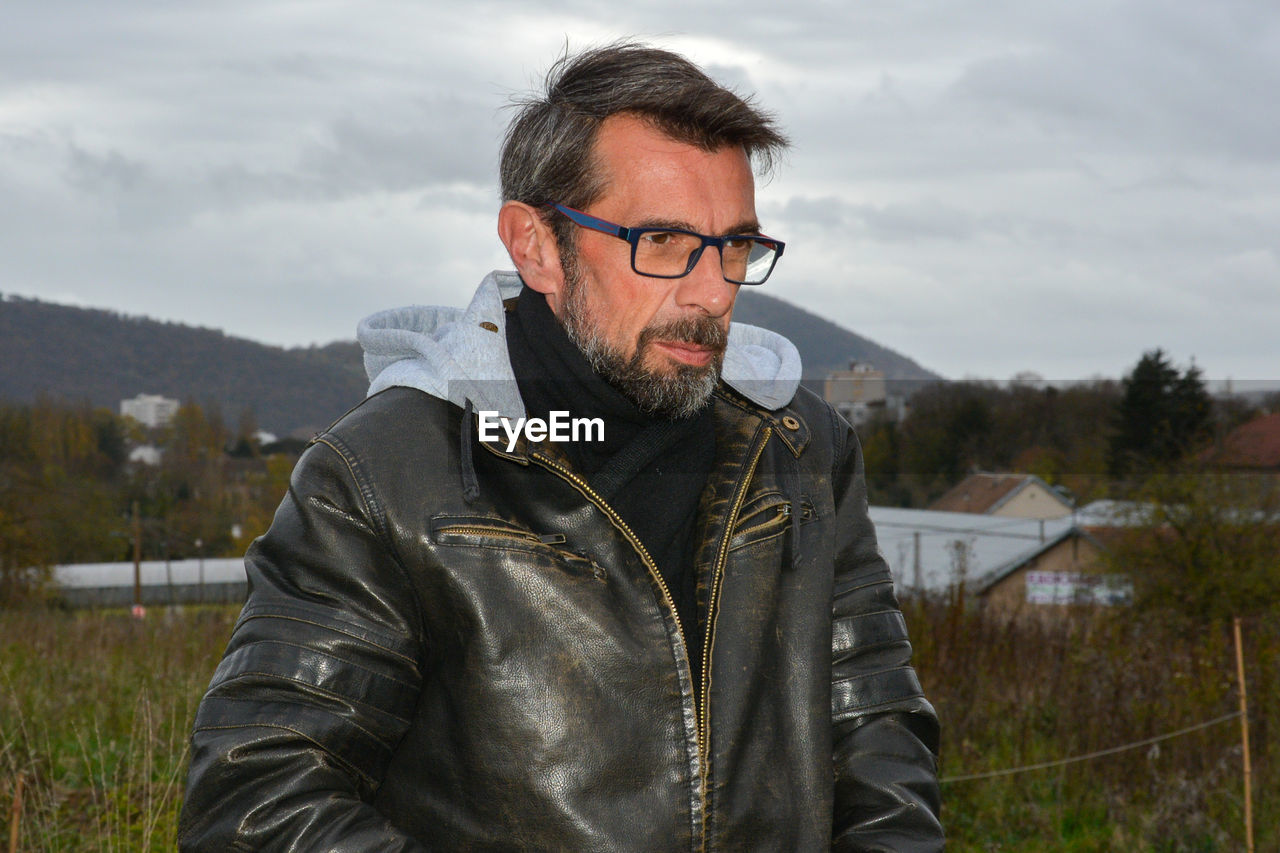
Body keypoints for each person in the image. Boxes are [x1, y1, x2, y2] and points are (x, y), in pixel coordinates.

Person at [179, 42, 943, 851]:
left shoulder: (802, 447)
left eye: (736, 246)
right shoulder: (385, 474)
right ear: (537, 245)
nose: (713, 291)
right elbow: (257, 798)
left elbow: (879, 741)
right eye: (663, 241)